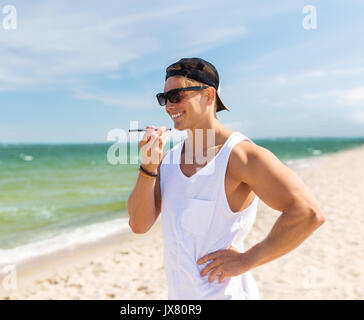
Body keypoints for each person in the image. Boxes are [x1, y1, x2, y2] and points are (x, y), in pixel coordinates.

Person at [126, 57, 326, 300]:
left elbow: (308, 213)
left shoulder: (240, 155)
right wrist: (148, 167)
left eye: (176, 96)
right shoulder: (168, 160)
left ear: (209, 95)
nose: (169, 106)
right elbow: (139, 224)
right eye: (164, 98)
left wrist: (247, 260)